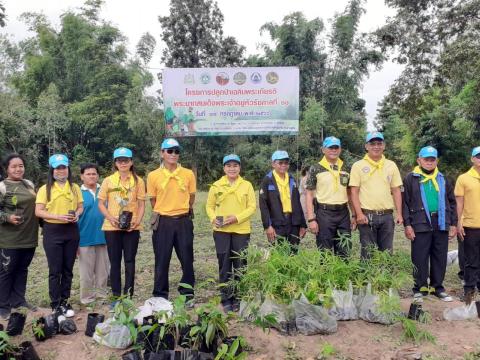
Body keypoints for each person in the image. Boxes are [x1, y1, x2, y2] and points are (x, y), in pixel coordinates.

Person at [403, 146, 457, 303]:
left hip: (440, 222)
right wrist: (407, 224)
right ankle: (420, 288)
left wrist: (453, 223)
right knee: (419, 256)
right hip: (420, 222)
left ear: (436, 161)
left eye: (432, 159)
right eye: (426, 159)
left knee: (439, 256)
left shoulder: (443, 178)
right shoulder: (410, 179)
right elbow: (405, 203)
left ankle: (437, 288)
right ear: (419, 160)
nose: (429, 162)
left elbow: (452, 203)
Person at [147, 138, 196, 302]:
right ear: (162, 153)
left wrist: (180, 209)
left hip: (183, 220)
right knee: (162, 259)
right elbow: (153, 200)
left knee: (187, 258)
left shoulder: (188, 174)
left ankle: (187, 293)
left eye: (177, 151)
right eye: (170, 151)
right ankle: (160, 295)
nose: (173, 154)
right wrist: (165, 209)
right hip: (163, 222)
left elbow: (192, 197)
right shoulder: (153, 175)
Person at [206, 154, 256, 312]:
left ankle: (240, 298)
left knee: (241, 265)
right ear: (224, 168)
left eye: (235, 165)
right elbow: (209, 206)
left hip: (241, 230)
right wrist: (214, 218)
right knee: (225, 264)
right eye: (229, 165)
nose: (232, 168)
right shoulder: (216, 186)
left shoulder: (246, 185)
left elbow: (252, 207)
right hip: (221, 232)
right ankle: (226, 298)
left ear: (240, 168)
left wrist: (236, 218)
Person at [35, 154, 83, 317]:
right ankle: (55, 304)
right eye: (58, 168)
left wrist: (77, 214)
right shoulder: (45, 189)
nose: (61, 171)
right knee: (55, 270)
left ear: (68, 169)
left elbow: (80, 206)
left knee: (68, 269)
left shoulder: (74, 187)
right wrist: (58, 217)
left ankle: (65, 301)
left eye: (64, 167)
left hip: (71, 231)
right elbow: (38, 211)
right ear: (52, 170)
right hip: (52, 231)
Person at [98, 148, 146, 302]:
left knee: (130, 261)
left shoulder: (138, 181)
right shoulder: (108, 181)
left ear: (131, 162)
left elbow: (141, 204)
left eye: (126, 160)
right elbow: (101, 203)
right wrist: (110, 217)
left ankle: (129, 295)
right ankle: (117, 296)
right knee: (115, 261)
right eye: (120, 160)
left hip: (132, 227)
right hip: (112, 227)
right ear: (115, 163)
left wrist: (137, 220)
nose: (123, 163)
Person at [349, 132, 403, 258]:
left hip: (387, 216)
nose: (376, 147)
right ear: (366, 146)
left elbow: (396, 190)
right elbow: (354, 192)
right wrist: (359, 214)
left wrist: (399, 213)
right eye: (372, 144)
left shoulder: (391, 165)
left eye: (379, 143)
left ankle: (385, 277)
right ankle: (368, 278)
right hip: (367, 216)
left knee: (386, 252)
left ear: (384, 146)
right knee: (368, 252)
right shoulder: (358, 166)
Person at [0, 154, 38, 320]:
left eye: (21, 165)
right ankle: (3, 305)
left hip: (29, 236)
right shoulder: (2, 186)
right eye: (14, 166)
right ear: (6, 168)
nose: (18, 169)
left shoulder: (28, 184)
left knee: (22, 270)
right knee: (6, 271)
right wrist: (7, 218)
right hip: (9, 238)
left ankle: (18, 300)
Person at [305, 137, 354, 256]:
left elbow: (350, 193)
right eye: (330, 147)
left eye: (336, 147)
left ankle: (343, 273)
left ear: (340, 149)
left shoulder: (346, 167)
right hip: (324, 214)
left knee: (344, 250)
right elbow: (309, 194)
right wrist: (311, 219)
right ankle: (325, 274)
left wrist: (354, 214)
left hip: (343, 213)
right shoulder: (315, 168)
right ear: (323, 149)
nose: (334, 150)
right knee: (324, 252)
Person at [259, 150, 306, 253]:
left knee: (293, 254)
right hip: (277, 224)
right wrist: (268, 226)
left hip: (293, 223)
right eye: (280, 163)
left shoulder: (291, 179)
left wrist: (302, 224)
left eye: (286, 163)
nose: (283, 165)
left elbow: (297, 203)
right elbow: (263, 206)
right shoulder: (267, 180)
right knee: (279, 254)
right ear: (273, 164)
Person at [77, 163, 109, 305]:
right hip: (84, 238)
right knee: (86, 273)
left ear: (98, 176)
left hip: (104, 236)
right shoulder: (77, 193)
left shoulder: (105, 191)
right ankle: (87, 299)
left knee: (103, 271)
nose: (91, 176)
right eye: (88, 174)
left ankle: (102, 296)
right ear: (82, 176)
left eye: (94, 174)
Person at [455, 146, 480, 303]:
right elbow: (459, 203)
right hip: (470, 226)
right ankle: (469, 291)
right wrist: (459, 223)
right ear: (472, 159)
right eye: (478, 156)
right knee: (470, 261)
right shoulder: (463, 178)